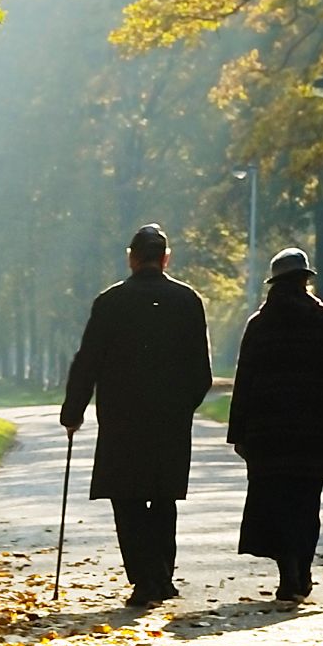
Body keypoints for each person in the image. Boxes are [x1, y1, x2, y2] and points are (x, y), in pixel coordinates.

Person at [60, 224, 213, 608]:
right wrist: (182, 407)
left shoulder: (110, 302)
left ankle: (145, 579)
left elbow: (88, 361)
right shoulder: (187, 300)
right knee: (164, 498)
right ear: (165, 258)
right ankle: (161, 575)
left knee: (127, 499)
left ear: (131, 257)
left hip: (122, 420)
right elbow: (202, 373)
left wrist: (73, 411)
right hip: (169, 421)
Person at [227, 247, 323, 602]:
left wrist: (238, 432)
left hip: (267, 435)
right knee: (305, 504)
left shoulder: (259, 324)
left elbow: (245, 381)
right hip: (311, 434)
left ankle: (289, 572)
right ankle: (300, 571)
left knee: (275, 503)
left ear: (274, 284)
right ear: (305, 281)